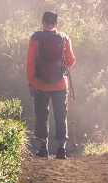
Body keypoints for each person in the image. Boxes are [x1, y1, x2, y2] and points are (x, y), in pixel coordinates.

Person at [27, 10, 76, 159]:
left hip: (40, 84)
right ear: (56, 23)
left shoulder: (35, 38)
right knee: (61, 115)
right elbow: (70, 62)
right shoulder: (64, 38)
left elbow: (31, 62)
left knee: (42, 115)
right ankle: (62, 148)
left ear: (42, 22)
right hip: (61, 84)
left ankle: (43, 148)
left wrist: (31, 83)